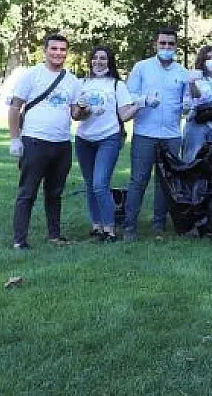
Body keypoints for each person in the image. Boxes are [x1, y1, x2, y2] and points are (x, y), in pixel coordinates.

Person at [7, 33, 82, 249]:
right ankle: (20, 241)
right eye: (54, 49)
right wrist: (15, 139)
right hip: (35, 141)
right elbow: (14, 107)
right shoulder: (32, 75)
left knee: (55, 192)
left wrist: (84, 109)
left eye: (62, 49)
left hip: (62, 144)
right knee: (27, 193)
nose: (58, 53)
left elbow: (77, 114)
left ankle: (54, 235)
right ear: (45, 51)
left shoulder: (72, 80)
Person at [124, 26, 188, 241]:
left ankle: (159, 224)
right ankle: (129, 226)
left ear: (176, 46)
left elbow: (188, 101)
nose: (166, 47)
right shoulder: (142, 68)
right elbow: (128, 95)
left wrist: (188, 105)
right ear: (155, 45)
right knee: (138, 180)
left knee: (165, 181)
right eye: (163, 44)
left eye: (170, 44)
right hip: (145, 133)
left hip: (171, 135)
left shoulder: (182, 72)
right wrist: (144, 100)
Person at [74, 46, 137, 243]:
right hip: (84, 139)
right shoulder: (81, 83)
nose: (98, 62)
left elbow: (124, 114)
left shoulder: (117, 85)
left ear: (109, 62)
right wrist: (83, 110)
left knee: (100, 184)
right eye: (95, 58)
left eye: (103, 58)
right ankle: (96, 225)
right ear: (90, 61)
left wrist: (140, 104)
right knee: (90, 185)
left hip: (108, 138)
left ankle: (109, 228)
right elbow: (76, 115)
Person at [182, 45, 212, 165]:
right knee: (192, 161)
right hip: (198, 124)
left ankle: (210, 184)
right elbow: (193, 99)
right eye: (208, 58)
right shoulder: (196, 77)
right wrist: (192, 82)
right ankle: (190, 184)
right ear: (202, 61)